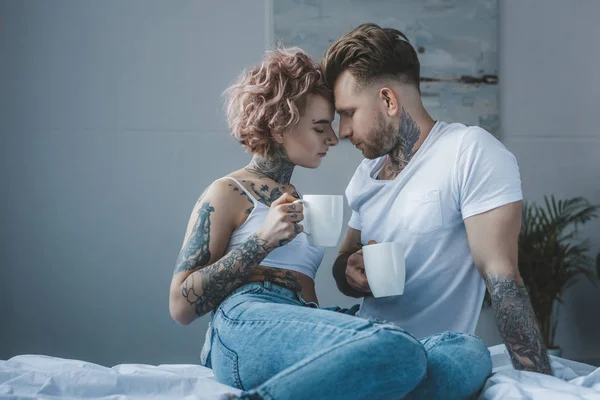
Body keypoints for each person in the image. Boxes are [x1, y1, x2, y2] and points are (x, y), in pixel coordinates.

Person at [169, 46, 438, 400]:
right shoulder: (227, 192)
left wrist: (354, 268)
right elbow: (181, 307)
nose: (332, 138)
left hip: (300, 318)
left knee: (462, 352)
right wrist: (261, 241)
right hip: (245, 320)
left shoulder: (295, 197)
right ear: (280, 126)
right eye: (320, 127)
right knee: (396, 347)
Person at [322, 23, 552, 383]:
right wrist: (350, 271)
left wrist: (539, 381)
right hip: (361, 340)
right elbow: (342, 262)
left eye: (349, 113)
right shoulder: (365, 174)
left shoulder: (468, 151)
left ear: (388, 100)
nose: (343, 131)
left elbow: (502, 276)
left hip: (428, 353)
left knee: (466, 356)